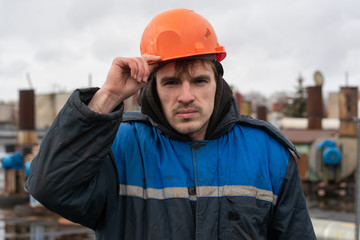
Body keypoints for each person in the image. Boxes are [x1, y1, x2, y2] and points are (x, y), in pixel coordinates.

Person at [25, 8, 316, 239]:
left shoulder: (268, 153)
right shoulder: (120, 147)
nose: (186, 96)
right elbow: (49, 187)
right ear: (152, 88)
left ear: (217, 83)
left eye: (199, 81)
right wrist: (108, 96)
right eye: (171, 82)